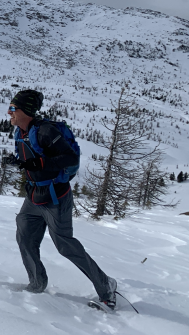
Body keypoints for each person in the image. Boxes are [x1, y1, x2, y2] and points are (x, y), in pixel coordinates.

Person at [9, 89, 119, 309]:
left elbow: (70, 157)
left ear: (27, 111)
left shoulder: (46, 131)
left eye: (13, 109)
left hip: (55, 197)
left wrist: (39, 164)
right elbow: (34, 159)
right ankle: (37, 283)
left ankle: (106, 287)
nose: (9, 113)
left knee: (65, 246)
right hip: (33, 197)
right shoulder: (20, 132)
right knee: (25, 239)